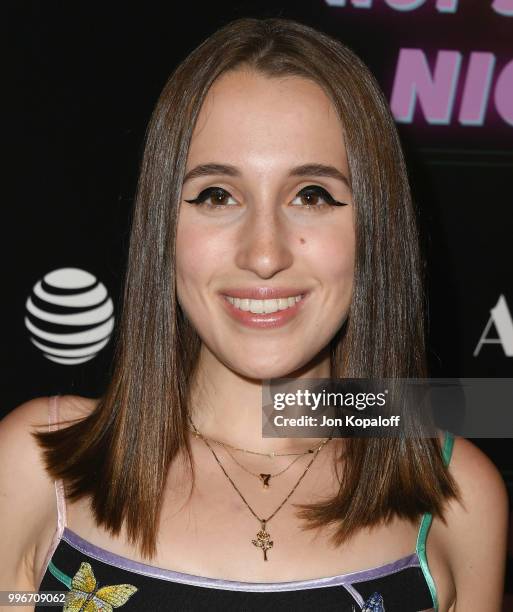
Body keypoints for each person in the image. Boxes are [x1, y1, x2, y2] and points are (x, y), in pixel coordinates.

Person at [0, 16, 508, 612]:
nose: (263, 254)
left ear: (374, 228)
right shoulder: (39, 468)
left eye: (311, 195)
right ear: (164, 225)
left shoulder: (454, 497)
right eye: (217, 195)